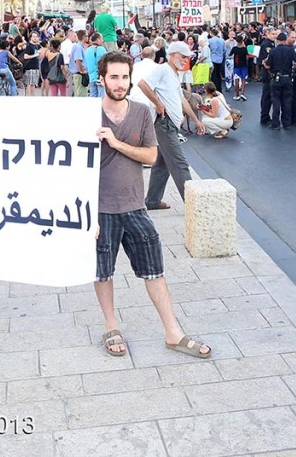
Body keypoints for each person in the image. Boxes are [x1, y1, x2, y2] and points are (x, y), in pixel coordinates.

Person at [93, 51, 211, 359]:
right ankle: (111, 326)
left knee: (154, 270)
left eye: (124, 77)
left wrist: (116, 143)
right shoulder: (88, 115)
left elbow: (151, 157)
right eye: (114, 77)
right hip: (100, 210)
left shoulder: (143, 113)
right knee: (102, 271)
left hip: (134, 206)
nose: (120, 84)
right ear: (102, 79)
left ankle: (173, 332)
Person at [129, 41, 205, 209]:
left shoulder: (173, 73)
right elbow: (143, 84)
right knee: (180, 164)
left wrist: (196, 120)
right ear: (173, 54)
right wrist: (158, 103)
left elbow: (182, 100)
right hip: (165, 123)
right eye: (183, 56)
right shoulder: (163, 69)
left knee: (162, 165)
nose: (186, 60)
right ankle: (194, 205)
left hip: (169, 123)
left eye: (187, 58)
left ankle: (152, 201)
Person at [264, 32, 295, 130]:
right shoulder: (290, 50)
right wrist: (293, 69)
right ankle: (287, 123)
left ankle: (275, 123)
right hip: (287, 77)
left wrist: (264, 64)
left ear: (277, 40)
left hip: (276, 78)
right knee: (287, 101)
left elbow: (268, 66)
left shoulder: (273, 51)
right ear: (286, 40)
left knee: (276, 101)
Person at [257, 28, 277, 125]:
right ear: (267, 34)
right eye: (272, 34)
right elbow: (265, 60)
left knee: (269, 95)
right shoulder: (266, 44)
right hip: (267, 72)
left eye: (275, 34)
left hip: (270, 72)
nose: (274, 36)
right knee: (267, 95)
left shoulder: (272, 44)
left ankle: (266, 116)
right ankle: (264, 116)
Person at [84, 32, 107, 98]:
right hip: (100, 76)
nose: (102, 41)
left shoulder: (87, 50)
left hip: (91, 76)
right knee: (101, 96)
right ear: (98, 39)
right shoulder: (102, 49)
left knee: (93, 96)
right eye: (101, 39)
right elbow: (106, 61)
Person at [70, 31, 90, 97]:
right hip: (80, 74)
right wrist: (82, 70)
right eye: (87, 36)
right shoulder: (78, 47)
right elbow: (78, 60)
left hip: (80, 74)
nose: (88, 37)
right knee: (81, 94)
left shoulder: (80, 47)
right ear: (84, 37)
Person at [22, 32, 41, 96]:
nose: (35, 38)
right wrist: (35, 55)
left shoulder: (36, 46)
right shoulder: (29, 46)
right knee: (29, 84)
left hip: (35, 67)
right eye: (33, 36)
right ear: (30, 37)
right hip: (30, 68)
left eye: (36, 36)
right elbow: (25, 56)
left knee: (33, 84)